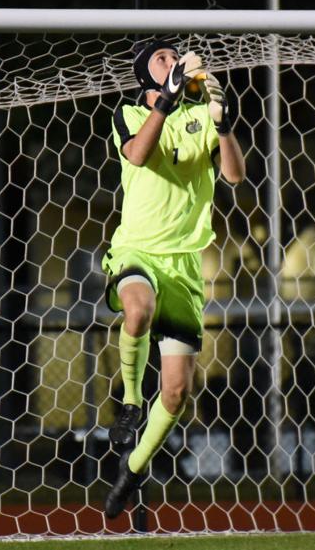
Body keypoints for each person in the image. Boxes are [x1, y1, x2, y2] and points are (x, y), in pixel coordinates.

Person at [99, 38, 246, 520]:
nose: (174, 60)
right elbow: (138, 156)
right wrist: (166, 99)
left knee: (179, 393)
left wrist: (222, 124)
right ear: (146, 74)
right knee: (136, 310)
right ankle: (130, 403)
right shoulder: (130, 114)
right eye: (162, 58)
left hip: (184, 264)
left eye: (175, 56)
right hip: (137, 249)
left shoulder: (200, 114)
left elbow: (234, 175)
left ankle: (133, 470)